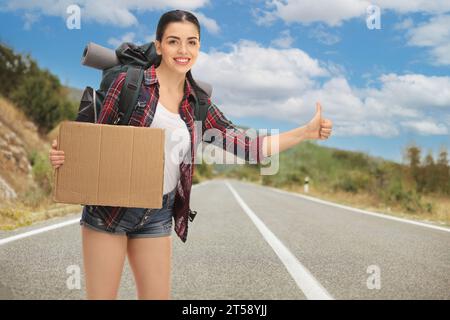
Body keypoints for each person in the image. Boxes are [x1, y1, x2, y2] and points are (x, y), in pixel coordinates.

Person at [49, 9, 333, 300]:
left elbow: (250, 149)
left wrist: (304, 132)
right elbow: (92, 140)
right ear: (159, 45)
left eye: (192, 42)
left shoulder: (199, 103)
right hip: (109, 209)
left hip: (157, 214)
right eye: (173, 41)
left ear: (199, 47)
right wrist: (65, 156)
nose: (183, 50)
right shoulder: (130, 84)